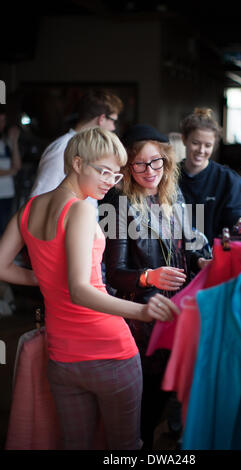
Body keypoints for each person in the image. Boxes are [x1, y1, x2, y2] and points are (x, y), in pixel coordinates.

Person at [0, 127, 179, 450]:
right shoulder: (81, 208)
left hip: (62, 357)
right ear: (78, 163)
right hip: (107, 349)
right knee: (126, 447)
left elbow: (2, 267)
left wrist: (44, 279)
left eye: (115, 173)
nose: (111, 180)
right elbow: (81, 290)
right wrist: (142, 311)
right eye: (103, 170)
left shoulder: (28, 209)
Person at [101, 123, 211, 449]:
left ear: (167, 161)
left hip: (176, 307)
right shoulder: (118, 205)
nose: (149, 171)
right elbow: (114, 272)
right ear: (128, 166)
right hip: (143, 315)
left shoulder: (173, 195)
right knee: (146, 402)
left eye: (156, 162)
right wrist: (149, 276)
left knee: (169, 391)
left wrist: (200, 262)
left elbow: (183, 249)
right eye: (140, 164)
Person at [30, 88, 123, 211]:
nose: (113, 127)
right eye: (113, 121)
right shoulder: (62, 148)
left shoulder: (81, 147)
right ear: (101, 119)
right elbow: (38, 200)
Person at [179, 107, 241, 245]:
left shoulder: (229, 180)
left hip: (213, 256)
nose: (201, 150)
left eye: (208, 145)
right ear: (184, 139)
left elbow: (234, 220)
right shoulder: (168, 176)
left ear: (214, 146)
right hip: (175, 259)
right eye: (195, 143)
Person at [0, 107, 22, 235]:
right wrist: (11, 171)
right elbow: (14, 169)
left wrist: (14, 142)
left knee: (5, 230)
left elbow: (17, 165)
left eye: (3, 121)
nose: (1, 124)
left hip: (7, 193)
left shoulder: (5, 143)